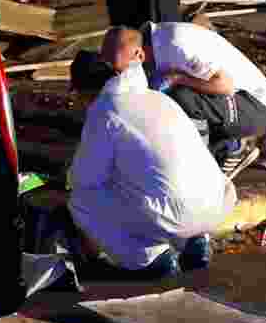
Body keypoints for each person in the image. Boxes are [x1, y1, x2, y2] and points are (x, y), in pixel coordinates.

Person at [65, 56, 237, 278]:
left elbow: (86, 179)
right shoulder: (159, 98)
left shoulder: (105, 111)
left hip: (175, 214)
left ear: (86, 92)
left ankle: (151, 259)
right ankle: (196, 242)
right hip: (214, 203)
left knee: (81, 201)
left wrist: (69, 174)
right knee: (155, 185)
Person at [97, 23, 266, 178]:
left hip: (255, 106)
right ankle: (221, 142)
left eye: (122, 71)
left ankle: (216, 159)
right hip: (231, 101)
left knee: (182, 98)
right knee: (165, 99)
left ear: (140, 56)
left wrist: (178, 78)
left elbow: (225, 86)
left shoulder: (179, 46)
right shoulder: (152, 42)